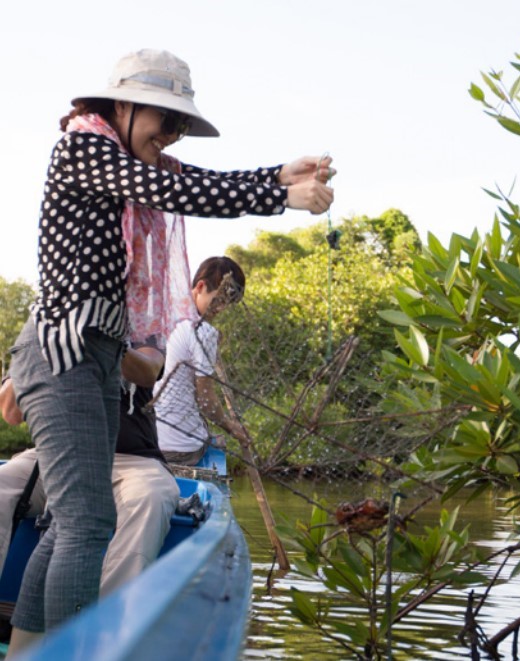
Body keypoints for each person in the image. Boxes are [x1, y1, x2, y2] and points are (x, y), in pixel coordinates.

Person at [6, 47, 335, 644]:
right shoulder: (84, 147)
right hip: (64, 356)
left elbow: (190, 184)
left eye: (183, 124)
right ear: (125, 105)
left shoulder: (126, 164)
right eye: (167, 121)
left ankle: (30, 651)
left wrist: (277, 176)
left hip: (98, 358)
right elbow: (170, 189)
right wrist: (280, 199)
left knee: (69, 525)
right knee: (86, 523)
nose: (175, 135)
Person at [0, 345, 177, 598]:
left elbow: (148, 371)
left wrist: (96, 337)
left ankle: (108, 625)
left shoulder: (137, 324)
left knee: (150, 499)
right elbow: (11, 413)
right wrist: (42, 347)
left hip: (131, 460)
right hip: (56, 455)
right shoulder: (41, 327)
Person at [154, 256, 249, 465]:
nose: (221, 309)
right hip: (180, 450)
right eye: (219, 300)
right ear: (200, 286)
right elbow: (207, 402)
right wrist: (232, 427)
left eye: (227, 304)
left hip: (147, 440)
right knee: (216, 438)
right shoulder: (203, 331)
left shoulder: (160, 315)